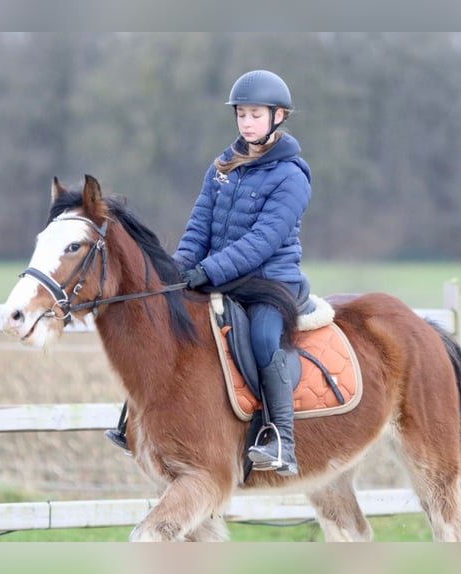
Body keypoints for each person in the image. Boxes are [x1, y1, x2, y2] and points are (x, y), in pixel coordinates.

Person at [106, 70, 312, 477]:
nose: (247, 122)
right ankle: (132, 417)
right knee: (164, 322)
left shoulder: (292, 176)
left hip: (268, 284)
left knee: (263, 336)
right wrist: (176, 272)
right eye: (242, 115)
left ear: (278, 117)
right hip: (217, 275)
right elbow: (199, 227)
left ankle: (280, 438)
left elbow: (263, 241)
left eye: (255, 115)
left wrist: (209, 270)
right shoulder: (222, 166)